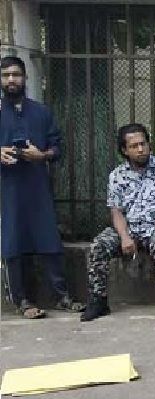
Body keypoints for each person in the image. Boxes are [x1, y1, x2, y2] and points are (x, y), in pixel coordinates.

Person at [0, 55, 84, 318]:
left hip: (37, 186)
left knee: (49, 239)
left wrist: (42, 155)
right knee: (13, 244)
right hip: (7, 188)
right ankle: (23, 301)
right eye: (5, 75)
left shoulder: (41, 111)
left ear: (25, 78)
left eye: (16, 74)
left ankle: (61, 296)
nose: (11, 80)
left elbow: (57, 147)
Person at [80, 123, 155, 322]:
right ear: (124, 150)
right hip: (128, 227)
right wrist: (125, 237)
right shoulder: (117, 176)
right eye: (134, 146)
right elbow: (116, 211)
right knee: (98, 246)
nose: (140, 149)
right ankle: (98, 300)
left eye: (143, 144)